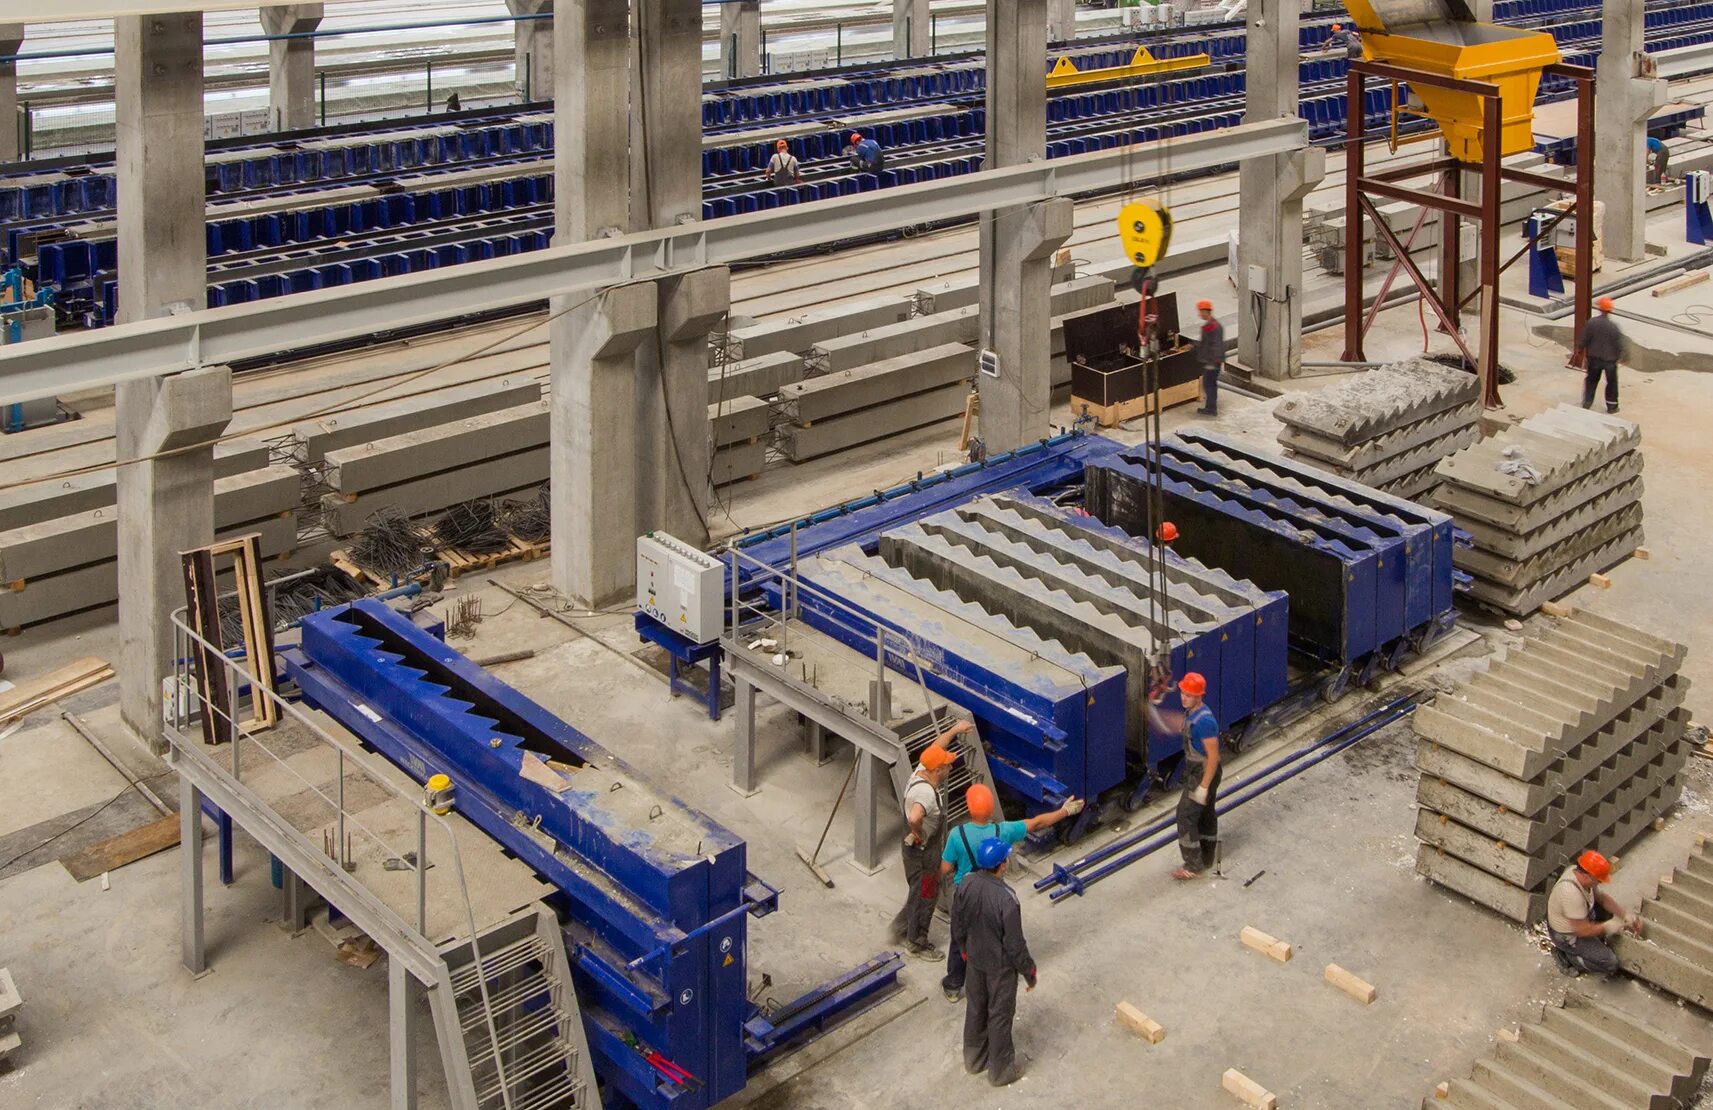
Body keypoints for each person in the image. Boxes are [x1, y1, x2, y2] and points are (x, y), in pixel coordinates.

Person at [940, 784, 1083, 1001]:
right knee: (994, 938)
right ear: (990, 810)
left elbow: (945, 868)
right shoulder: (1003, 831)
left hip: (965, 894)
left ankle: (953, 984)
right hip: (993, 896)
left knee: (959, 937)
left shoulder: (957, 835)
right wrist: (1065, 810)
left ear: (969, 808)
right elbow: (1037, 823)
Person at [951, 836, 1036, 1087]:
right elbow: (1014, 944)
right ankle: (1000, 1072)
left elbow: (958, 922)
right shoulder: (1007, 899)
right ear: (1002, 865)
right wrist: (1029, 971)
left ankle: (974, 1060)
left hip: (975, 961)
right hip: (1000, 969)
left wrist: (965, 948)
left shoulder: (966, 884)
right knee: (999, 1015)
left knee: (976, 1008)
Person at [889, 720, 972, 959]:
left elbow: (937, 745)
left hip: (919, 851)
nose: (950, 767)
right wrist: (917, 831)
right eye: (947, 765)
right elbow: (915, 816)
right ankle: (917, 942)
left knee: (917, 892)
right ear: (937, 771)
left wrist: (955, 730)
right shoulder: (925, 793)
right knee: (926, 894)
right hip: (923, 855)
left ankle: (900, 928)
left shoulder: (921, 771)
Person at [1546, 850, 1640, 976]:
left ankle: (1588, 946)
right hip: (1566, 935)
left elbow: (1601, 898)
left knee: (1607, 913)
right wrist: (1608, 927)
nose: (1599, 883)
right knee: (1610, 963)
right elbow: (1582, 931)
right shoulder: (1570, 893)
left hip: (1578, 917)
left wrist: (1624, 914)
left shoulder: (1580, 873)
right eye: (1598, 880)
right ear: (1587, 876)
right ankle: (1567, 957)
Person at [1170, 671, 1222, 880]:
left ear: (1199, 696)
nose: (1184, 697)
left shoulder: (1205, 722)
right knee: (1206, 812)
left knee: (1185, 814)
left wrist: (1203, 786)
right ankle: (1207, 856)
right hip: (1199, 771)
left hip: (1204, 773)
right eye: (1182, 693)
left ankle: (1193, 865)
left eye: (1189, 695)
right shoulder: (1192, 713)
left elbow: (1213, 757)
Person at [1578, 296, 1624, 414]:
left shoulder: (1592, 323)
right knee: (1612, 383)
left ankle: (1587, 402)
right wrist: (1621, 357)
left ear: (1600, 309)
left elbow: (1584, 338)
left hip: (1594, 358)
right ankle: (1612, 407)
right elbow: (1619, 344)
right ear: (1610, 310)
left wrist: (1580, 349)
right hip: (1610, 360)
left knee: (1591, 380)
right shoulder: (1613, 327)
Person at [1194, 300, 1224, 417]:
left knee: (1209, 384)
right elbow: (1206, 342)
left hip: (1212, 361)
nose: (1199, 314)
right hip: (1213, 360)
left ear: (1206, 311)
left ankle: (1211, 409)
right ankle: (1210, 407)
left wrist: (1212, 362)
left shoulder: (1212, 326)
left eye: (1201, 312)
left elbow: (1215, 344)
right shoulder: (1213, 324)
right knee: (1211, 384)